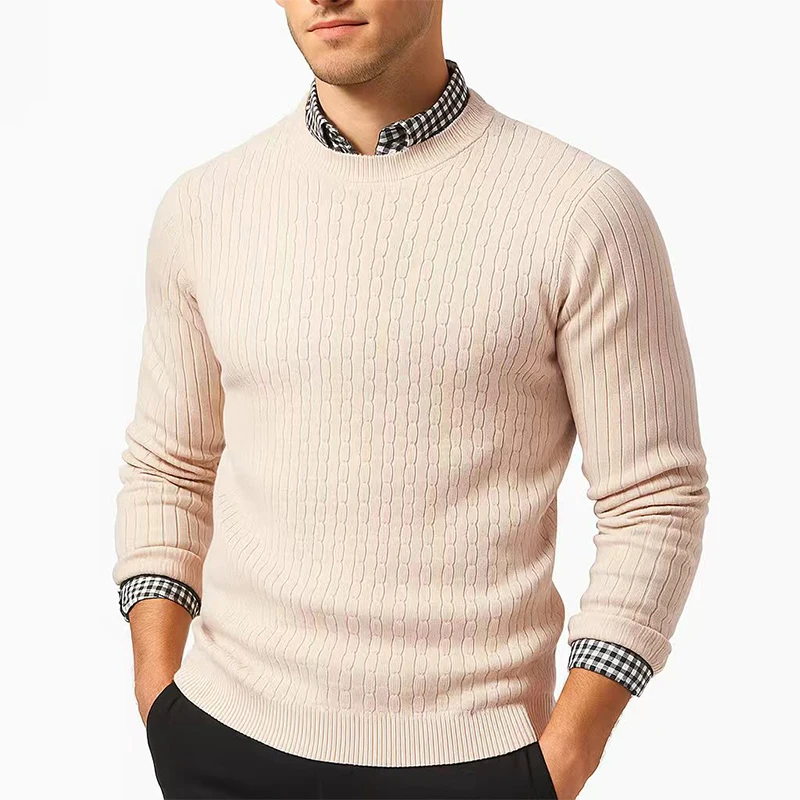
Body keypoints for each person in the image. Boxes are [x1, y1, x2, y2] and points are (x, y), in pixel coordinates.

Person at [112, 1, 710, 797]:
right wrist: (159, 698)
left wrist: (564, 757)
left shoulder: (581, 211)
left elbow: (655, 499)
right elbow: (169, 465)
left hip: (472, 764)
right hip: (218, 739)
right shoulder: (203, 207)